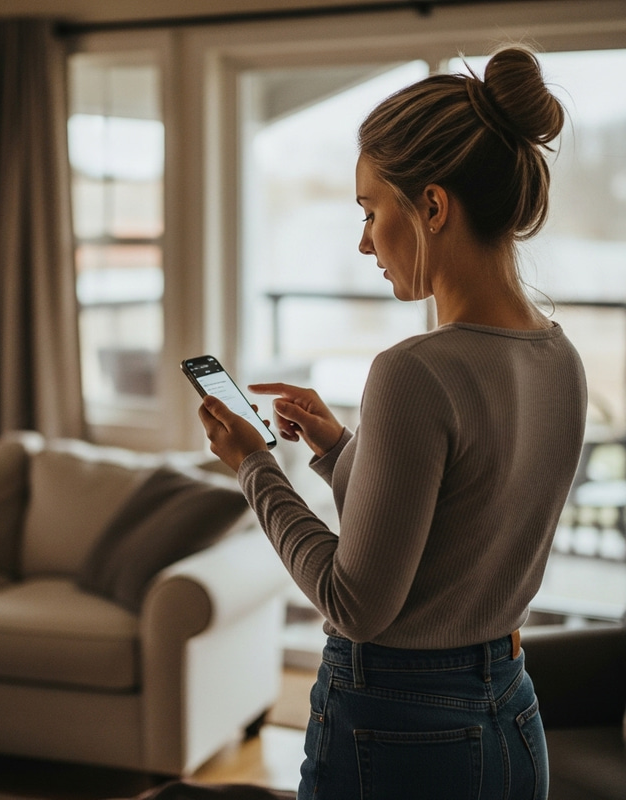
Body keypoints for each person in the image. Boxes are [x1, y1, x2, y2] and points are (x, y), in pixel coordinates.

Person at [198, 46, 587, 800]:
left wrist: (254, 465)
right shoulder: (558, 356)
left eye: (372, 211)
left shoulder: (414, 371)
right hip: (511, 712)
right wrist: (340, 447)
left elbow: (356, 603)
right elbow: (457, 525)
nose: (365, 241)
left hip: (402, 728)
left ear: (433, 207)